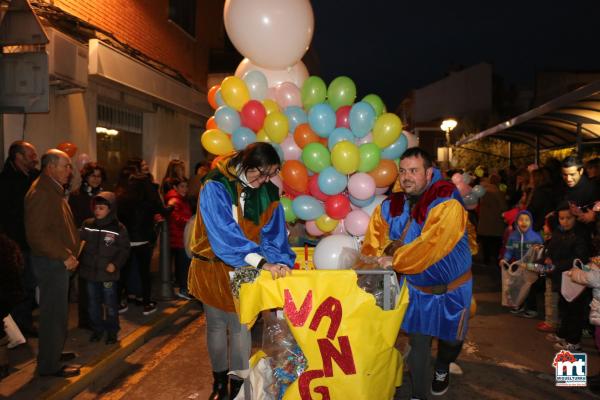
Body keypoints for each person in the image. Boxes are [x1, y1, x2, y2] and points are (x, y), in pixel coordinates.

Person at [362, 147, 472, 399]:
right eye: (403, 171)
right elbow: (374, 241)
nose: (407, 176)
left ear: (429, 172)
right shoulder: (391, 206)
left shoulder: (447, 202)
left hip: (453, 290)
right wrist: (373, 259)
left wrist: (395, 259)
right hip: (418, 291)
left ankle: (443, 366)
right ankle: (419, 394)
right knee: (420, 343)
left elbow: (431, 246)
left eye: (414, 170)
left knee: (451, 342)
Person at [188, 142, 295, 400]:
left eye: (270, 174)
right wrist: (261, 262)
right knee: (215, 325)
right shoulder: (215, 184)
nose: (265, 180)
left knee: (240, 326)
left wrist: (279, 260)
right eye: (261, 173)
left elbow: (273, 233)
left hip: (247, 267)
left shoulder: (268, 191)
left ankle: (237, 387)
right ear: (246, 163)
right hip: (213, 266)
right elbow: (223, 234)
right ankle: (218, 384)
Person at [25, 149, 81, 378]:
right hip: (52, 262)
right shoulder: (42, 192)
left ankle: (52, 352)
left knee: (57, 312)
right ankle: (48, 365)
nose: (70, 170)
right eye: (65, 166)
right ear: (50, 168)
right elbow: (37, 234)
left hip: (57, 262)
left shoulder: (52, 189)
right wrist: (64, 255)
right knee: (53, 314)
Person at [79, 192, 130, 345]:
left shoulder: (118, 228)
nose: (97, 211)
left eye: (101, 208)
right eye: (96, 208)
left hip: (108, 274)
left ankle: (112, 331)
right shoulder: (88, 225)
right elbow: (80, 244)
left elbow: (124, 249)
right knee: (93, 304)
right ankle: (97, 329)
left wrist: (114, 264)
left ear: (110, 209)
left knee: (110, 304)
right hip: (90, 273)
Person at [0, 141, 40, 337]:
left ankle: (24, 323)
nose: (35, 158)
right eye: (31, 154)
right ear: (19, 157)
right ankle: (17, 328)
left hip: (32, 240)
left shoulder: (35, 177)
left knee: (30, 284)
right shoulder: (6, 181)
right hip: (16, 243)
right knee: (20, 286)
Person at [116, 158, 166, 315]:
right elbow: (159, 208)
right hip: (143, 237)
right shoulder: (146, 190)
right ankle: (146, 303)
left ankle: (119, 302)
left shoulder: (122, 191)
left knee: (124, 271)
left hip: (126, 237)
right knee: (144, 272)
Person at [545, 202, 591, 352]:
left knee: (574, 310)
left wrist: (557, 264)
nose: (565, 221)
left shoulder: (580, 234)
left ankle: (573, 341)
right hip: (561, 276)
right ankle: (563, 334)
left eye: (568, 218)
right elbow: (551, 247)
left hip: (574, 279)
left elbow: (580, 257)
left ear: (575, 218)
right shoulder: (559, 231)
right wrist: (548, 257)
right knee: (564, 307)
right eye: (561, 218)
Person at [68, 162, 107, 329]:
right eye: (93, 175)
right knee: (85, 285)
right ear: (86, 177)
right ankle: (86, 320)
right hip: (85, 244)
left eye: (99, 176)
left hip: (103, 245)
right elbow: (74, 221)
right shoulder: (77, 195)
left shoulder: (105, 195)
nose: (96, 179)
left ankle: (97, 317)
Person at [500, 210, 544, 317]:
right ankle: (518, 305)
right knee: (517, 286)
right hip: (517, 266)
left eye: (526, 220)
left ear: (531, 222)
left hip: (530, 267)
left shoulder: (535, 237)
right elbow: (509, 250)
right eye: (521, 220)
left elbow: (541, 253)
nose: (523, 222)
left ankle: (531, 308)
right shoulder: (513, 237)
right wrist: (505, 259)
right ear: (516, 222)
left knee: (530, 288)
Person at [0, 233, 24, 380]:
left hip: (5, 292)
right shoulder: (6, 243)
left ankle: (3, 365)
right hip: (9, 292)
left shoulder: (4, 245)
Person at [164, 177, 193, 300]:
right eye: (182, 186)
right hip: (179, 237)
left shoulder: (180, 199)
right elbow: (176, 218)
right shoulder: (175, 200)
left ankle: (184, 287)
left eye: (186, 186)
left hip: (181, 236)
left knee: (183, 264)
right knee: (183, 265)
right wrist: (191, 223)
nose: (185, 189)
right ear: (175, 187)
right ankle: (183, 289)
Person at [477, 174, 507, 267]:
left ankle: (486, 259)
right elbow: (504, 207)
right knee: (496, 241)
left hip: (484, 221)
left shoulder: (482, 191)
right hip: (496, 221)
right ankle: (495, 257)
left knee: (485, 241)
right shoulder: (498, 192)